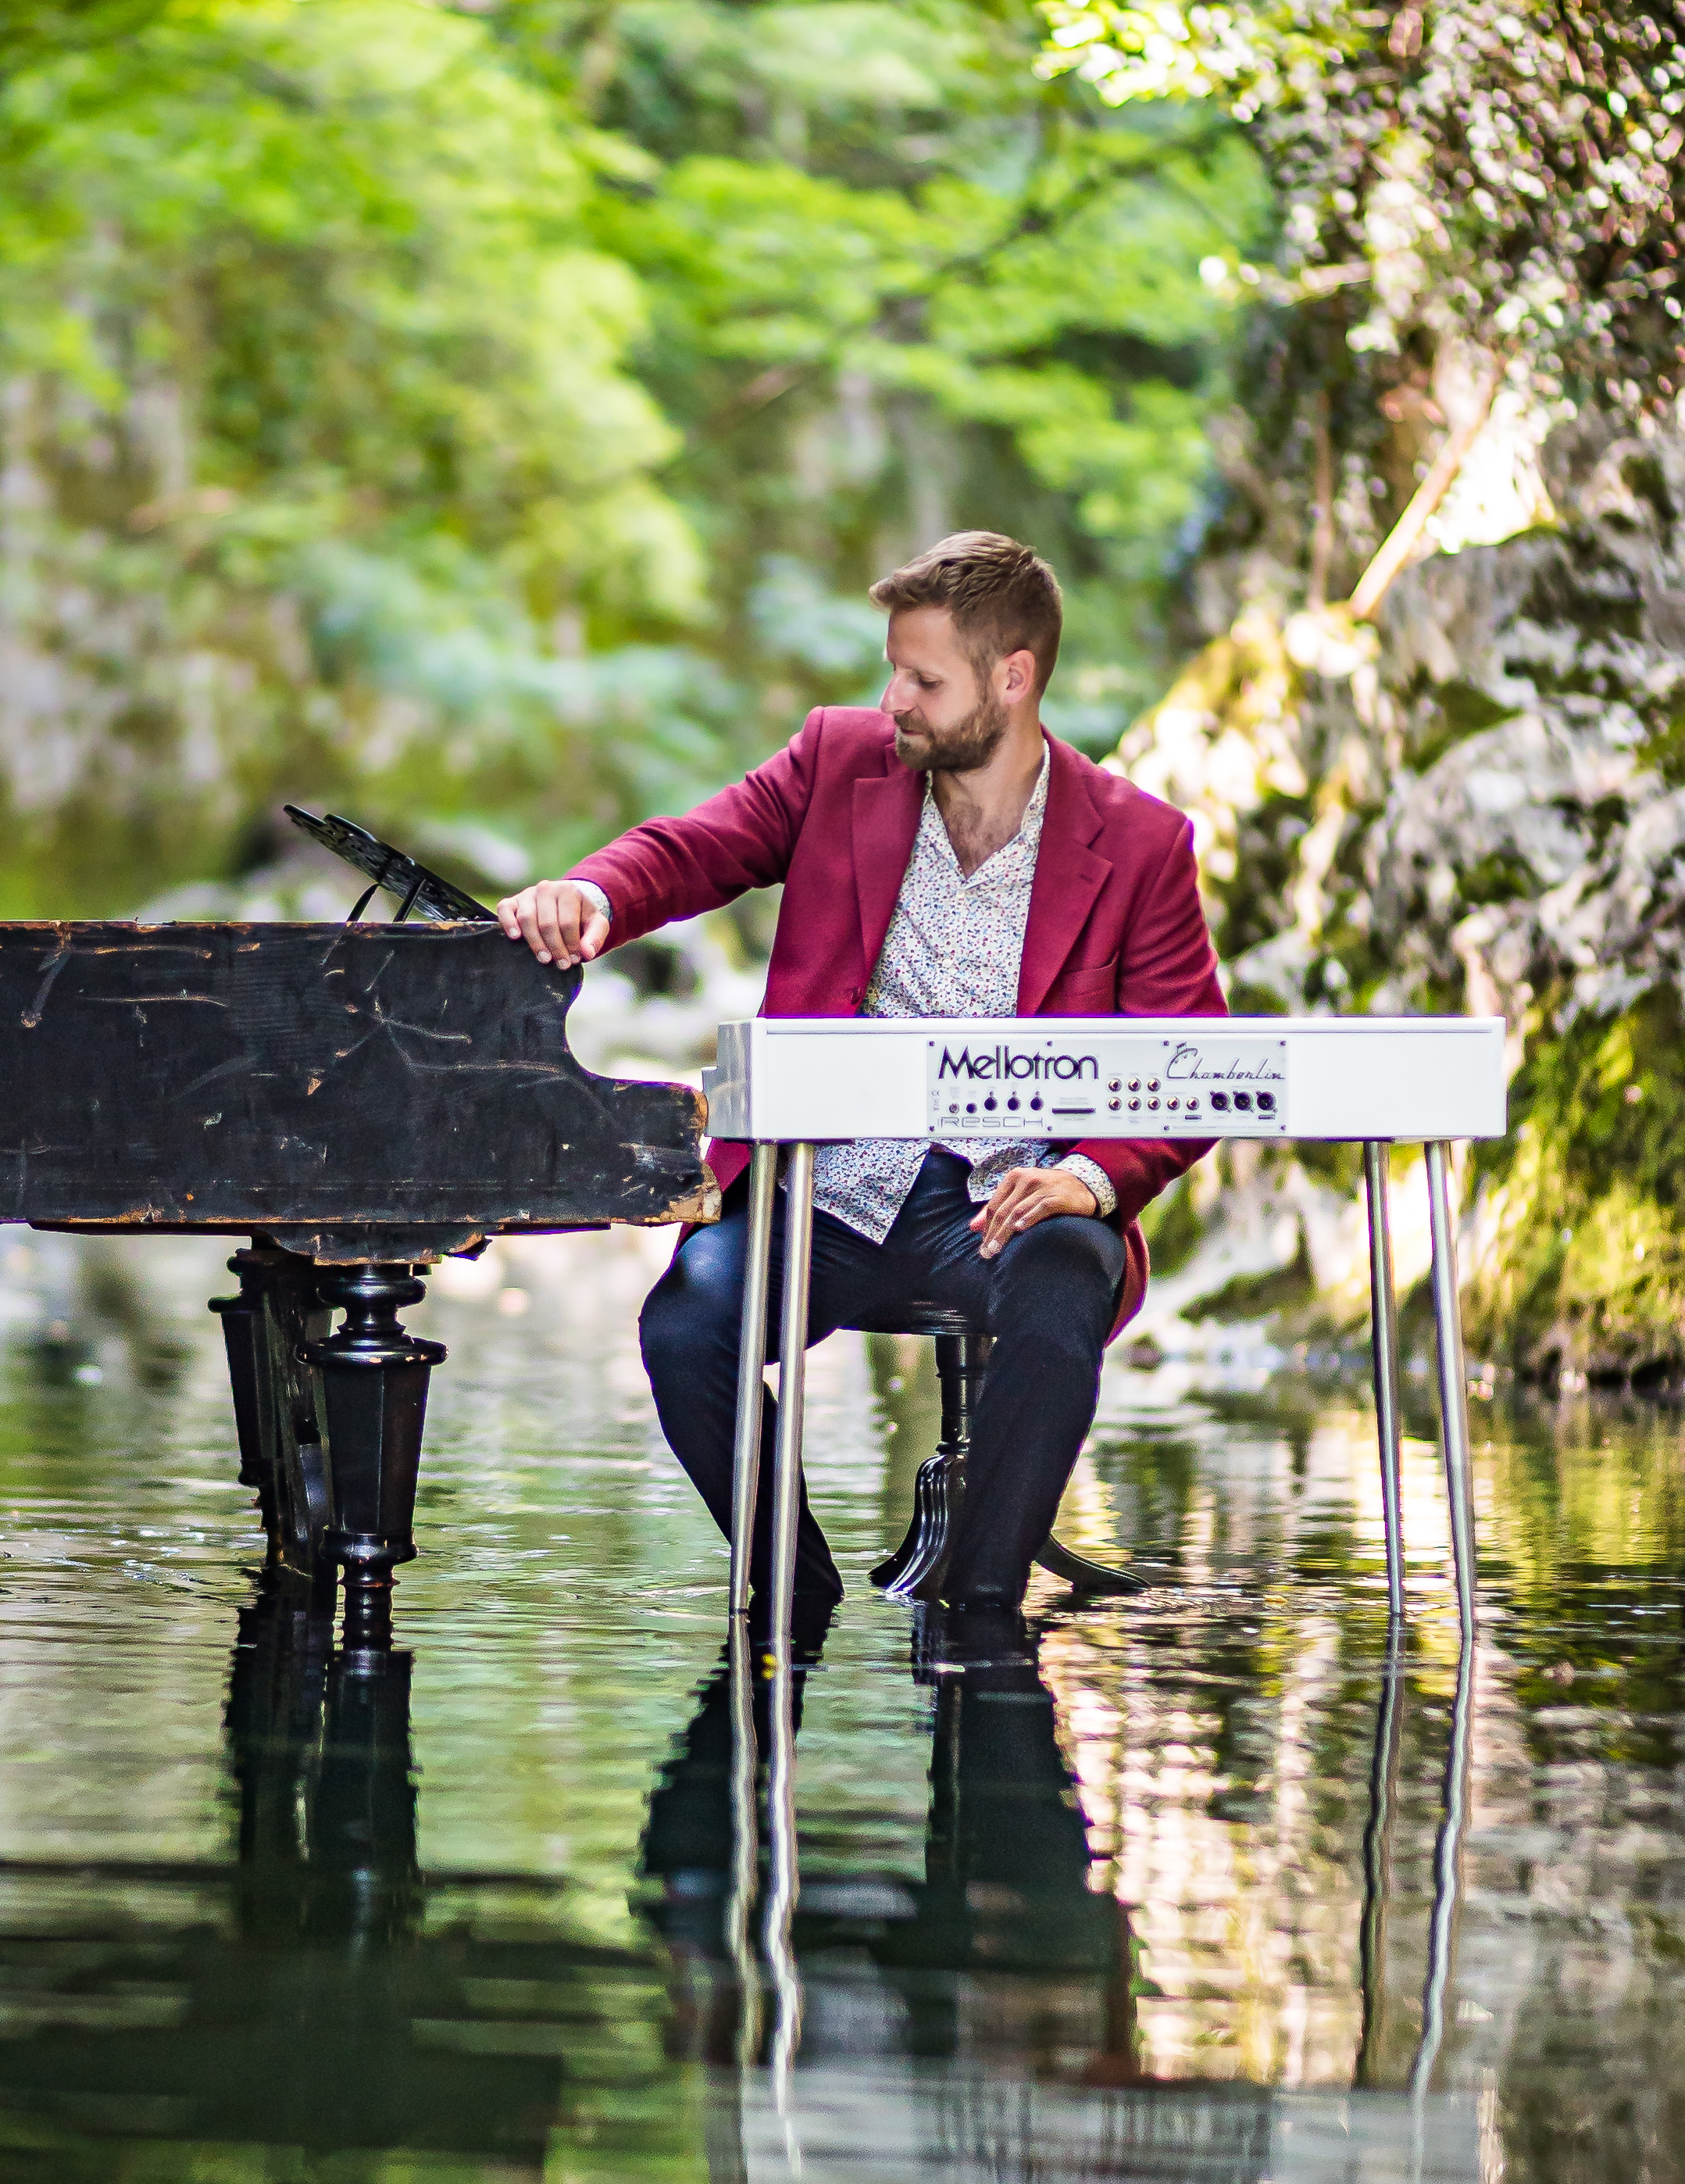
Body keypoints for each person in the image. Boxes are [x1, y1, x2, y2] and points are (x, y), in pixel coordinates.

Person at [496, 531, 1223, 1616]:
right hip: (822, 1197)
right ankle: (795, 1592)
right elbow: (693, 847)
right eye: (893, 667)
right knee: (684, 1327)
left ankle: (980, 1610)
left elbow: (1190, 1061)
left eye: (924, 677)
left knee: (1068, 1275)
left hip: (1005, 1206)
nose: (895, 697)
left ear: (1012, 678)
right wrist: (590, 899)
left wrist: (1093, 1177)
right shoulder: (837, 762)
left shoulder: (1140, 841)